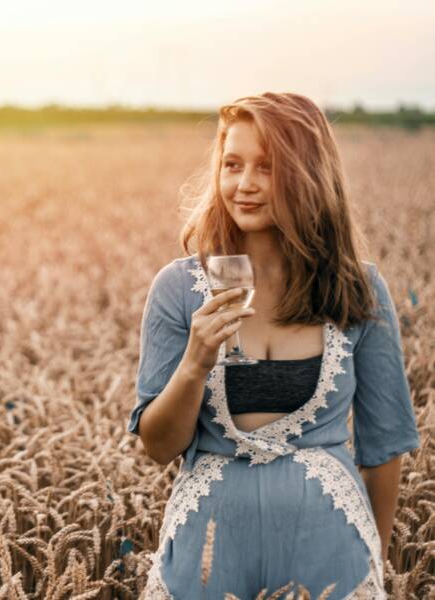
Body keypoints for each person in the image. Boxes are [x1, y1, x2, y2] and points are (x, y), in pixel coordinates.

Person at [127, 92, 420, 599]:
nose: (244, 184)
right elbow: (158, 446)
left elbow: (385, 445)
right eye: (232, 164)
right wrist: (196, 361)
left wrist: (375, 557)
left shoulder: (358, 289)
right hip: (208, 556)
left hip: (330, 556)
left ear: (308, 173)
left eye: (267, 167)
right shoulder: (178, 289)